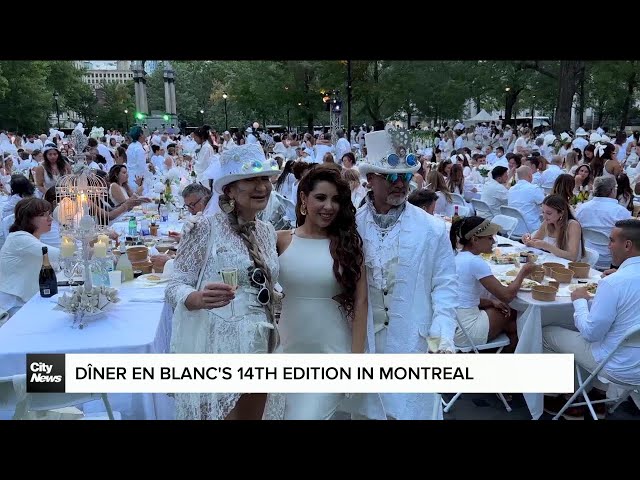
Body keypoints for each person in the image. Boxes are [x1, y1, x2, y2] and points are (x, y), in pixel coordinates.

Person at [166, 143, 283, 420]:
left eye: (264, 179)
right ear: (230, 189)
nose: (261, 187)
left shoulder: (266, 231)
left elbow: (268, 281)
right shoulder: (205, 228)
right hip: (222, 345)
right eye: (250, 180)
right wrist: (195, 298)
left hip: (262, 342)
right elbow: (174, 285)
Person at [349, 129, 458, 420]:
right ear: (370, 179)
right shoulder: (351, 228)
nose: (400, 184)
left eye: (406, 177)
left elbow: (446, 285)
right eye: (390, 177)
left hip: (413, 342)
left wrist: (442, 338)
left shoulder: (432, 229)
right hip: (366, 343)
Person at [276, 164, 368, 419]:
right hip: (285, 352)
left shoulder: (347, 246)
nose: (329, 206)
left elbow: (361, 304)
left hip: (331, 352)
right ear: (304, 198)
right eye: (321, 197)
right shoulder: (280, 240)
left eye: (336, 200)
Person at [543, 219, 640, 419]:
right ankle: (597, 396)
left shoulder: (614, 283)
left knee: (547, 330)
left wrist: (579, 301)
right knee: (609, 331)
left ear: (628, 245)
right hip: (633, 364)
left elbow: (590, 333)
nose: (608, 246)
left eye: (612, 241)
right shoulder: (618, 279)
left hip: (618, 366)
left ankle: (563, 399)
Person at [450, 216, 537, 352]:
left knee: (511, 321)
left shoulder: (458, 257)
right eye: (489, 238)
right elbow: (507, 296)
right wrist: (523, 272)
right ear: (475, 239)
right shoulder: (475, 262)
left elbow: (464, 297)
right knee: (517, 315)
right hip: (466, 332)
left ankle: (507, 350)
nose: (494, 241)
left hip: (453, 325)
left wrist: (490, 302)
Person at [0, 198, 59, 317]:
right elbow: (60, 255)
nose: (50, 218)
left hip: (24, 299)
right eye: (44, 215)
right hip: (13, 305)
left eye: (50, 214)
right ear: (28, 219)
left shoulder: (28, 238)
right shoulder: (19, 239)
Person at [523, 194, 586, 262]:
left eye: (549, 213)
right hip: (553, 262)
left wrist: (547, 246)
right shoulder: (547, 223)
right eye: (543, 212)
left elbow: (572, 257)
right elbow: (534, 243)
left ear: (561, 213)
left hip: (570, 268)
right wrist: (527, 240)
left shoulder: (573, 225)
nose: (544, 217)